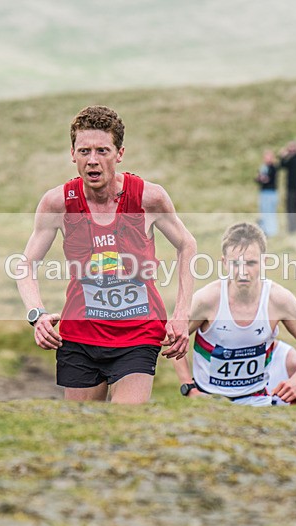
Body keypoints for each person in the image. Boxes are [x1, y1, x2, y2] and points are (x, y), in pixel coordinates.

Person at [16, 105, 196, 404]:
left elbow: (187, 245)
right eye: (84, 151)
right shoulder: (57, 203)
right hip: (79, 336)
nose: (93, 161)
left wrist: (181, 314)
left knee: (124, 423)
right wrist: (37, 315)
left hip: (138, 334)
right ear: (72, 154)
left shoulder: (148, 198)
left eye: (102, 150)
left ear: (120, 153)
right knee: (81, 431)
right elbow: (25, 264)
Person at [173, 222, 296, 406]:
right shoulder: (207, 300)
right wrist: (189, 388)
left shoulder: (279, 300)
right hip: (210, 400)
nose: (243, 272)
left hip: (257, 399)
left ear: (264, 262)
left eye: (251, 263)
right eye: (236, 263)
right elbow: (175, 341)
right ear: (224, 262)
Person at [255, 150, 279, 237]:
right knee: (264, 211)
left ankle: (271, 231)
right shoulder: (263, 167)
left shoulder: (273, 168)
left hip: (270, 192)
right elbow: (258, 179)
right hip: (264, 192)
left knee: (270, 212)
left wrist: (263, 179)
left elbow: (268, 179)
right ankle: (265, 230)